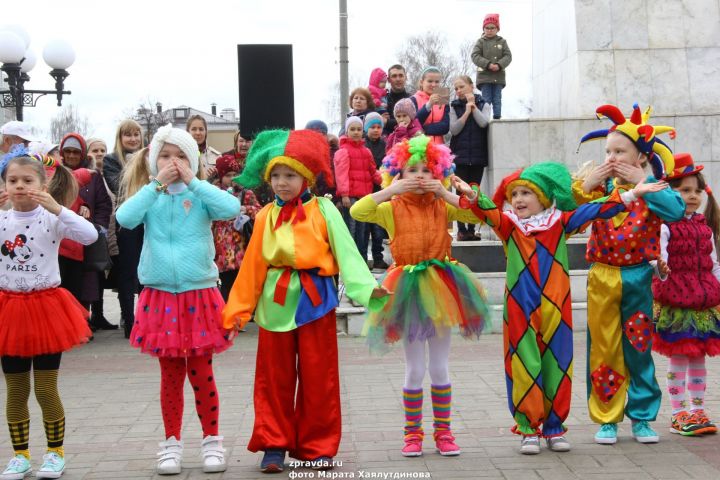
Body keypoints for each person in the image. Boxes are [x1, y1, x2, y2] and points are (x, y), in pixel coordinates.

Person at [455, 162, 664, 454]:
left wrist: (630, 196)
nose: (518, 200)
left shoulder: (559, 223)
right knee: (524, 364)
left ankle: (554, 427)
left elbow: (593, 211)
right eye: (514, 194)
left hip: (557, 308)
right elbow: (488, 213)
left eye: (526, 193)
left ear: (542, 197)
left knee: (558, 365)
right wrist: (473, 195)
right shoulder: (510, 226)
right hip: (520, 308)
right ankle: (529, 429)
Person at [222, 129, 390, 473]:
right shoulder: (265, 214)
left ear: (306, 178)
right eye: (277, 176)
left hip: (316, 301)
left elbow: (347, 251)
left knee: (320, 376)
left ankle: (318, 446)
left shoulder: (325, 210)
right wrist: (237, 311)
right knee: (273, 378)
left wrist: (366, 289)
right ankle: (273, 443)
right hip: (275, 302)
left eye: (290, 175)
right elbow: (253, 265)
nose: (282, 183)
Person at [350, 135, 488, 457]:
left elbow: (479, 213)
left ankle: (444, 432)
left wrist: (450, 193)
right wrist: (390, 190)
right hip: (407, 289)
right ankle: (412, 434)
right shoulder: (391, 207)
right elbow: (358, 211)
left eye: (427, 170)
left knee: (439, 366)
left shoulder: (442, 204)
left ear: (438, 173)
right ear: (397, 174)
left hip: (443, 286)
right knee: (415, 368)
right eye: (411, 170)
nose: (420, 176)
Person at [116, 125, 240, 475]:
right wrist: (156, 184)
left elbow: (230, 207)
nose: (173, 162)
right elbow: (125, 218)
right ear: (154, 160)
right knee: (170, 376)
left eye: (181, 155)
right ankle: (170, 444)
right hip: (160, 295)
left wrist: (195, 180)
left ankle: (212, 440)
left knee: (201, 373)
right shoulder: (150, 194)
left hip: (198, 292)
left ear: (193, 160)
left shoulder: (201, 194)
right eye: (166, 155)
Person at [576, 103, 686, 445]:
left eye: (619, 151)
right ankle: (607, 417)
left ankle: (641, 417)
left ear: (640, 157)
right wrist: (583, 185)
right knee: (604, 347)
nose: (611, 158)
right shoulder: (599, 189)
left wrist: (646, 181)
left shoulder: (652, 188)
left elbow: (677, 211)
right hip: (602, 277)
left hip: (638, 277)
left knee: (638, 346)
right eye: (608, 151)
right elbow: (570, 217)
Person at [0, 153, 96, 479]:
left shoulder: (50, 218)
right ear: (4, 185)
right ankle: (20, 455)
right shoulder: (1, 220)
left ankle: (55, 453)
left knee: (45, 388)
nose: (20, 187)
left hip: (46, 310)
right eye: (13, 181)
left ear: (42, 185)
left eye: (28, 181)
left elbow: (90, 235)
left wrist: (58, 208)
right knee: (15, 389)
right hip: (8, 311)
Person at [651, 153, 720, 436]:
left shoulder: (704, 227)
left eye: (696, 190)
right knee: (678, 357)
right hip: (677, 301)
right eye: (684, 190)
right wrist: (662, 270)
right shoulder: (665, 225)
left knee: (698, 358)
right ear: (669, 193)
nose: (692, 196)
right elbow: (658, 262)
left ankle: (698, 409)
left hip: (703, 302)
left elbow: (713, 263)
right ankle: (679, 413)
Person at [57, 133, 114, 331]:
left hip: (85, 240)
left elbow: (104, 205)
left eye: (76, 152)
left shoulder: (93, 176)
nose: (72, 155)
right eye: (68, 151)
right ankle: (64, 325)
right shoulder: (56, 173)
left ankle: (81, 323)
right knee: (62, 285)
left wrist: (97, 227)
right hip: (60, 241)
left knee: (85, 285)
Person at [103, 120, 144, 338]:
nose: (133, 139)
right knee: (127, 273)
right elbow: (118, 186)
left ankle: (148, 319)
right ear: (120, 138)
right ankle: (129, 321)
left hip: (148, 220)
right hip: (126, 222)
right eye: (128, 135)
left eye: (136, 134)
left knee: (147, 273)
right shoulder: (111, 160)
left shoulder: (149, 157)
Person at [211, 154, 261, 301]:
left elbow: (260, 211)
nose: (232, 179)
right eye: (227, 175)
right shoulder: (214, 193)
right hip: (221, 247)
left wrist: (247, 209)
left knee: (241, 280)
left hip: (241, 244)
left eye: (235, 174)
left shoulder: (246, 193)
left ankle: (242, 308)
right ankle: (227, 310)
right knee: (225, 282)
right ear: (220, 176)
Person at [449, 75, 491, 241]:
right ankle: (461, 229)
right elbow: (454, 129)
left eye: (461, 87)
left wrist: (473, 107)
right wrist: (466, 111)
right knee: (460, 193)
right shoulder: (454, 106)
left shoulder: (484, 103)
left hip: (478, 156)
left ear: (471, 86)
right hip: (460, 157)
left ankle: (472, 228)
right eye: (456, 88)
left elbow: (483, 123)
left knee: (474, 191)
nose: (459, 91)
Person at [334, 116, 381, 261]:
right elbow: (341, 175)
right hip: (351, 197)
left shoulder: (366, 151)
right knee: (351, 229)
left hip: (365, 197)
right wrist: (344, 194)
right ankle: (350, 261)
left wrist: (387, 182)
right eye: (352, 129)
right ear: (346, 131)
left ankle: (361, 260)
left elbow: (373, 171)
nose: (356, 132)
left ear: (363, 131)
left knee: (363, 231)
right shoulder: (343, 151)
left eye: (359, 129)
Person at [471, 13, 512, 120]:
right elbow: (475, 56)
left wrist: (499, 65)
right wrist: (488, 64)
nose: (489, 30)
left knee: (497, 98)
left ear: (497, 29)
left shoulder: (502, 42)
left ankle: (497, 118)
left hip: (498, 77)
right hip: (484, 77)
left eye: (492, 28)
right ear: (483, 29)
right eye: (487, 28)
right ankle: (485, 118)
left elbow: (508, 56)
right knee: (486, 98)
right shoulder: (480, 42)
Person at [363, 113, 389, 270]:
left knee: (378, 228)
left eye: (379, 127)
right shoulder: (362, 145)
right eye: (372, 127)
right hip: (365, 190)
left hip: (380, 189)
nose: (376, 130)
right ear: (366, 128)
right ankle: (364, 258)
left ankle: (378, 258)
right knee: (364, 229)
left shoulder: (385, 145)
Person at [411, 67, 450, 144]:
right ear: (422, 82)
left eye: (437, 82)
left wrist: (423, 128)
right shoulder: (413, 99)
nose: (433, 84)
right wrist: (429, 105)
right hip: (419, 147)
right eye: (430, 81)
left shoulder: (443, 99)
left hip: (439, 148)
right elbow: (414, 123)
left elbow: (445, 127)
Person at [186, 114, 220, 179]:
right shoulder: (181, 156)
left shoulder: (217, 156)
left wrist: (212, 178)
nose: (198, 133)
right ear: (188, 132)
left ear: (206, 132)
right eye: (194, 129)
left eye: (201, 129)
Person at [383, 65, 412, 136]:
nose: (398, 79)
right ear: (389, 80)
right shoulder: (383, 100)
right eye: (394, 76)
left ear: (406, 78)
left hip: (409, 142)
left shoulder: (412, 99)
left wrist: (387, 122)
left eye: (401, 75)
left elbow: (412, 122)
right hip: (387, 142)